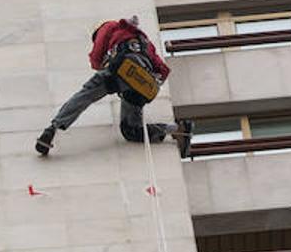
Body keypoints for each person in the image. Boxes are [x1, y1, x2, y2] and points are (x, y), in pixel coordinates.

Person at [35, 15, 191, 156]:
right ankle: (176, 130)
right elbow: (163, 70)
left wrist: (103, 63)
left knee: (86, 94)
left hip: (121, 67)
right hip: (142, 83)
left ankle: (53, 128)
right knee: (131, 130)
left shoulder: (109, 27)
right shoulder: (145, 43)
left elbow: (96, 59)